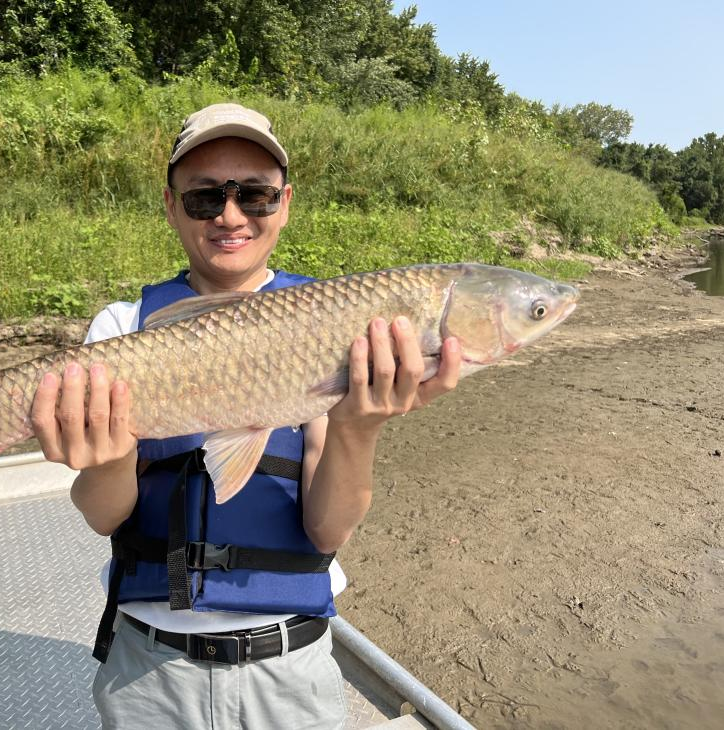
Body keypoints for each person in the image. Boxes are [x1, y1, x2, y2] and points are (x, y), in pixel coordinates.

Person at [30, 103, 463, 729]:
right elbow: (103, 516)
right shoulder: (122, 329)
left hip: (291, 664)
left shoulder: (337, 322)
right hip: (148, 669)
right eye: (205, 198)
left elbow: (327, 532)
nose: (231, 216)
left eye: (254, 195)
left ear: (284, 203)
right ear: (171, 206)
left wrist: (357, 425)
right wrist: (113, 452)